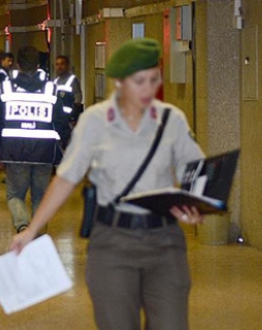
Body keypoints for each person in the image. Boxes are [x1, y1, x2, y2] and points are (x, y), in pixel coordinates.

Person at [10, 38, 205, 330]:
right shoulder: (95, 121)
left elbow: (196, 168)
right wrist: (32, 229)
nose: (149, 89)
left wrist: (196, 202)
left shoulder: (171, 119)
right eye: (140, 81)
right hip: (113, 241)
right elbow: (66, 178)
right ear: (119, 82)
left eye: (154, 80)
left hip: (164, 241)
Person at [0, 46, 70, 233]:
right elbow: (60, 122)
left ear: (18, 65)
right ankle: (38, 232)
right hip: (44, 151)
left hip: (13, 150)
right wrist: (67, 148)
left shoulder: (6, 87)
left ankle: (22, 225)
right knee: (41, 197)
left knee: (14, 195)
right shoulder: (51, 89)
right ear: (38, 65)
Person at [53, 55, 84, 126]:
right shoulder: (55, 82)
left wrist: (73, 117)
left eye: (62, 64)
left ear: (67, 66)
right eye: (57, 64)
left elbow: (78, 99)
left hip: (69, 120)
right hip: (58, 120)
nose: (59, 67)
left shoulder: (73, 80)